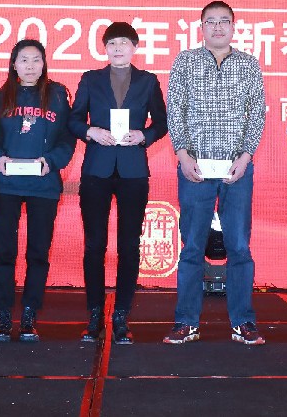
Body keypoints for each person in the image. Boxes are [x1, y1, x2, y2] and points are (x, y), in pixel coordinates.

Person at [163, 1, 266, 346]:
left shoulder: (248, 64)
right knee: (192, 247)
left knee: (239, 247)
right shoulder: (186, 61)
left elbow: (256, 114)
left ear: (234, 26)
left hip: (237, 168)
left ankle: (243, 322)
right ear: (201, 27)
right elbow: (175, 110)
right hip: (194, 167)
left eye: (224, 21)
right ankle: (185, 322)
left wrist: (246, 156)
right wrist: (182, 154)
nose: (218, 27)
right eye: (211, 21)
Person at [69, 22, 168, 345]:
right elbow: (74, 119)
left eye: (124, 43)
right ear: (105, 48)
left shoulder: (148, 81)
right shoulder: (90, 79)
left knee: (129, 245)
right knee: (94, 244)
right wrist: (90, 131)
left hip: (133, 171)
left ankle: (122, 315)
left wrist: (144, 135)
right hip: (96, 170)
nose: (118, 48)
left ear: (135, 47)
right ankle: (94, 314)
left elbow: (162, 122)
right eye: (112, 43)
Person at [0, 39, 75, 342]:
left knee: (38, 252)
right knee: (4, 252)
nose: (30, 66)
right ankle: (2, 316)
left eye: (36, 60)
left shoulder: (57, 96)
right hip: (6, 185)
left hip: (43, 185)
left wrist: (51, 161)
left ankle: (28, 316)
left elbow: (67, 138)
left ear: (44, 64)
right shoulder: (1, 97)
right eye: (23, 60)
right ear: (14, 64)